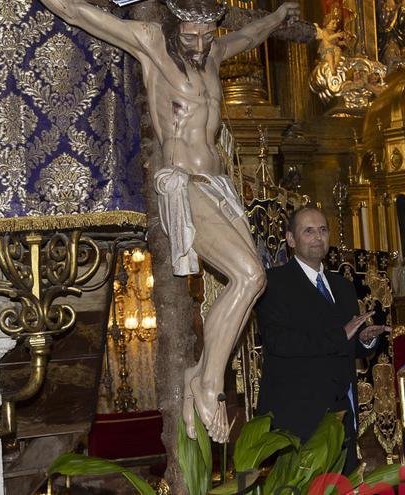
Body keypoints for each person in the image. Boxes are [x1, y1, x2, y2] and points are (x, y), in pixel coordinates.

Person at [37, 0, 300, 443]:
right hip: (183, 182)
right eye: (191, 37)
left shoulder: (213, 52)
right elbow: (79, 13)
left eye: (206, 35)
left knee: (253, 282)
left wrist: (278, 17)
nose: (199, 46)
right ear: (176, 25)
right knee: (250, 274)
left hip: (218, 184)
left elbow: (251, 37)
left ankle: (199, 371)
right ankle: (208, 383)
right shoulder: (153, 45)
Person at [256, 206, 390, 472]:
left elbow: (346, 346)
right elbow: (280, 342)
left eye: (322, 230)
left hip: (340, 412)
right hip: (298, 415)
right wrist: (340, 335)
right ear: (291, 240)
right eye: (308, 231)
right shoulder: (273, 283)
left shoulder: (341, 285)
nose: (317, 237)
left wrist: (363, 340)